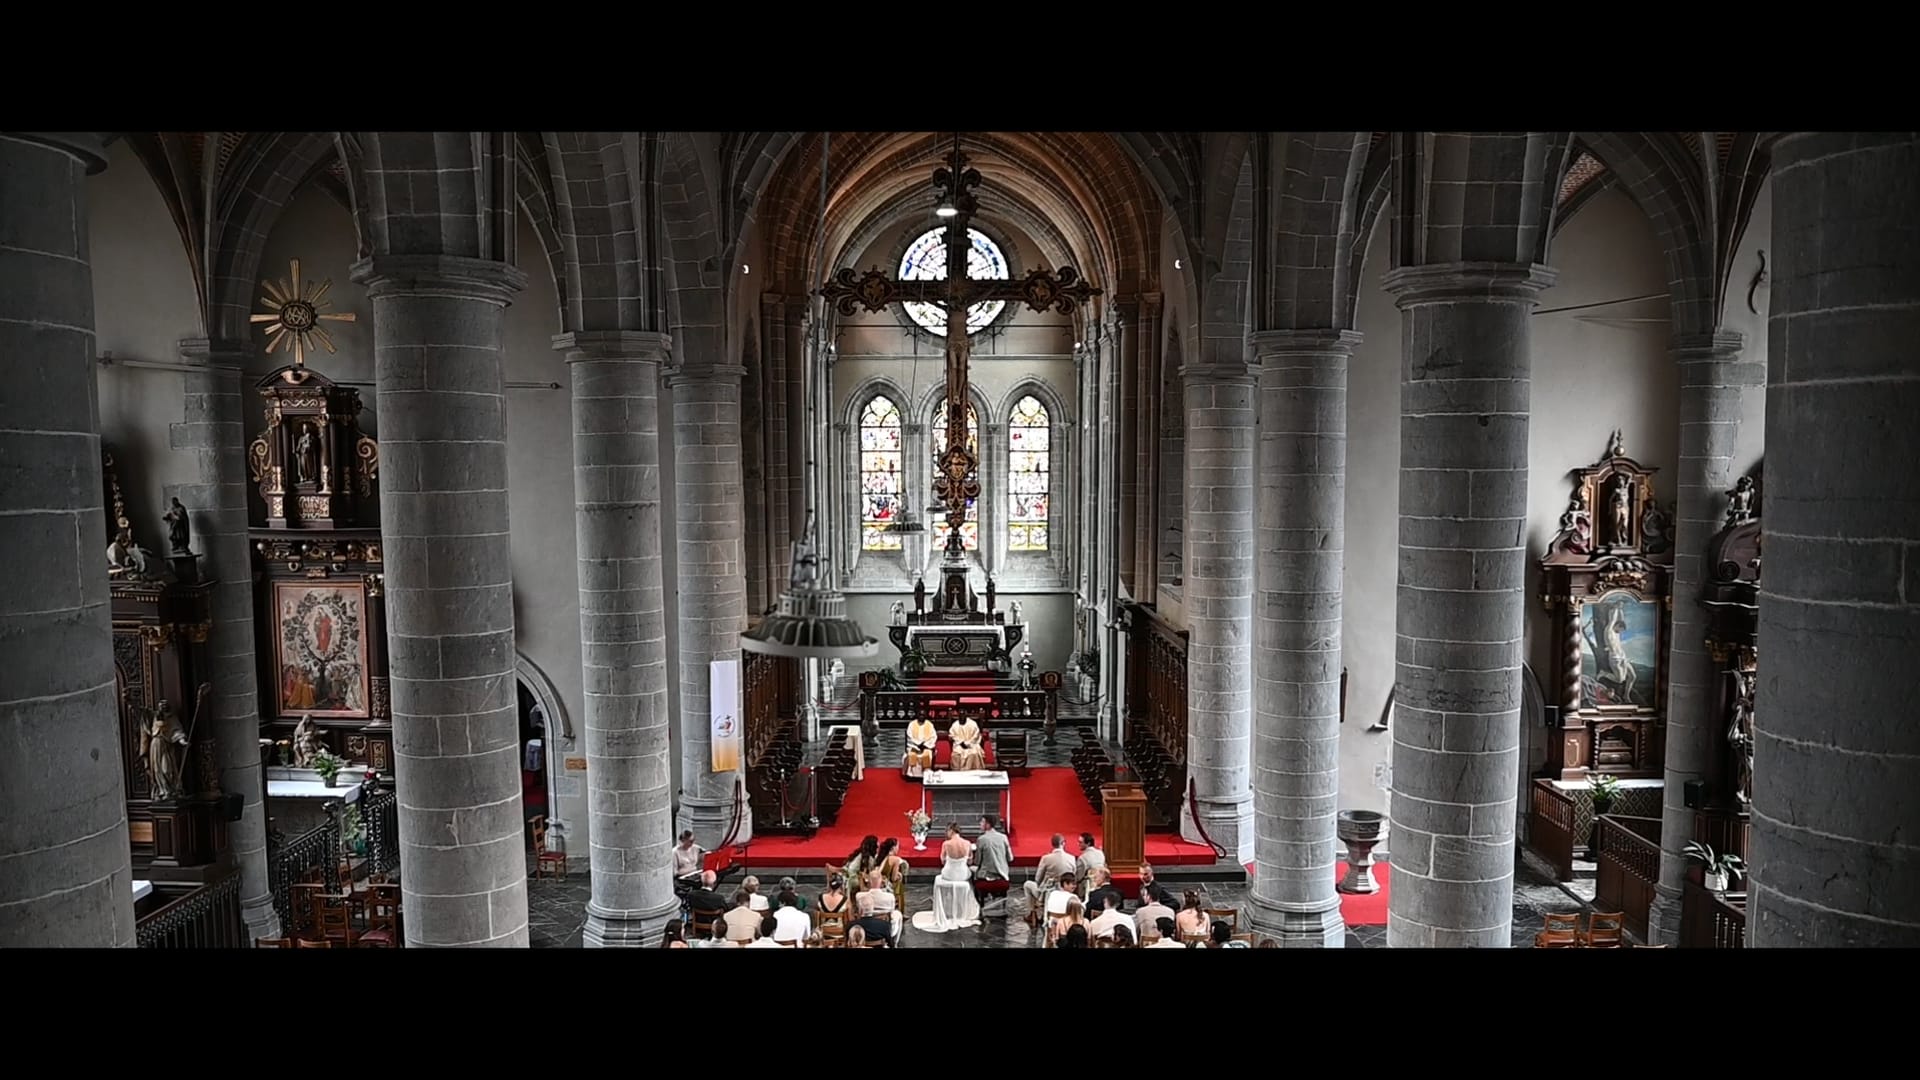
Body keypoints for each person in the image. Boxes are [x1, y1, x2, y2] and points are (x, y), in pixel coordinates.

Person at [920, 822, 981, 932]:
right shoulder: (967, 843)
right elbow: (970, 861)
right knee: (969, 877)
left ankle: (945, 909)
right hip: (962, 874)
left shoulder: (946, 844)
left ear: (951, 830)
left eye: (947, 831)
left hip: (948, 874)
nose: (946, 833)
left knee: (938, 878)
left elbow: (942, 861)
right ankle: (962, 910)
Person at [1024, 833, 1077, 925]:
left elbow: (1038, 878)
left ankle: (1032, 914)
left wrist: (1042, 885)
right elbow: (1073, 875)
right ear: (1063, 843)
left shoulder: (1046, 858)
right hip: (1065, 891)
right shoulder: (1071, 858)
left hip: (1048, 894)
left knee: (1027, 885)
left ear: (1052, 844)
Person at [971, 814, 1012, 903]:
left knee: (971, 871)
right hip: (1003, 874)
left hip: (987, 875)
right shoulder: (1003, 837)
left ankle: (978, 903)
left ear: (988, 824)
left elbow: (977, 861)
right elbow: (1010, 858)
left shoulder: (982, 839)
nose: (980, 824)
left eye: (982, 822)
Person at [875, 838, 909, 912]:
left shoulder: (880, 856)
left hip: (878, 882)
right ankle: (899, 910)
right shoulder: (895, 860)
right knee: (899, 883)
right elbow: (894, 878)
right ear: (893, 848)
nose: (898, 848)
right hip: (886, 885)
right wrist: (899, 875)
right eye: (898, 846)